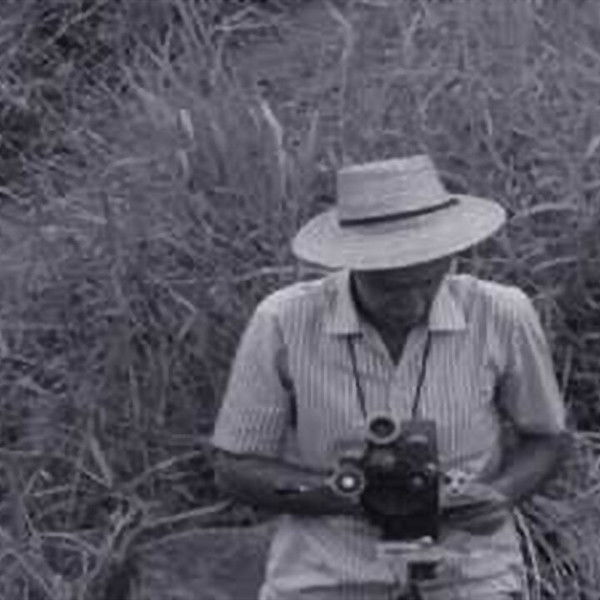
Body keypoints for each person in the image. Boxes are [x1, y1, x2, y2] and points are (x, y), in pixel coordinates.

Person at [211, 155, 566, 600]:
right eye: (390, 289)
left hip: (469, 572)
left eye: (430, 281)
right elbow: (234, 467)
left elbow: (549, 438)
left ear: (449, 260)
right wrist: (343, 493)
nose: (414, 304)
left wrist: (501, 493)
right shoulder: (284, 321)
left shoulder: (501, 314)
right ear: (351, 264)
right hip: (328, 573)